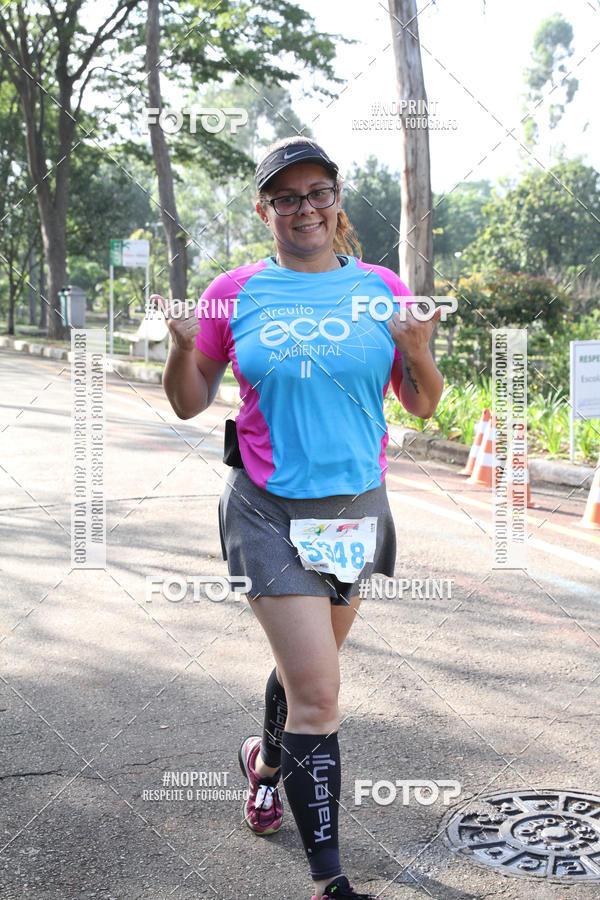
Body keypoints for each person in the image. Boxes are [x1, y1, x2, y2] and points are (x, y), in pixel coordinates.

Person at [156, 136, 443, 900]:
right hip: (266, 508)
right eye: (287, 197)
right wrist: (182, 349)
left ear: (337, 198)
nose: (305, 207)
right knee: (318, 693)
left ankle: (267, 763)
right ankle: (329, 882)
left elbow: (419, 402)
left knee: (306, 669)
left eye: (317, 192)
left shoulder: (381, 287)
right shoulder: (234, 293)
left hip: (353, 510)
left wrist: (418, 349)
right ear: (265, 210)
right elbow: (189, 400)